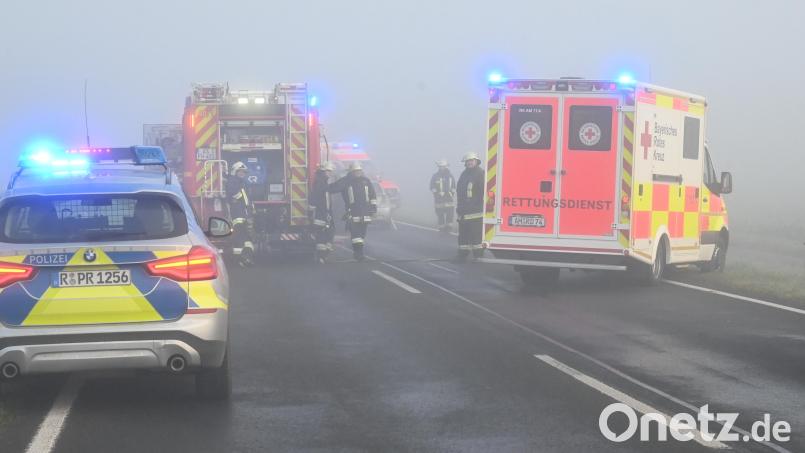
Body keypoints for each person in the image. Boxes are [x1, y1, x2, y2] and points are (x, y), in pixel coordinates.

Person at [329, 162, 377, 261]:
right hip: (353, 213)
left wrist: (373, 208)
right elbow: (333, 188)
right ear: (352, 172)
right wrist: (325, 186)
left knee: (361, 235)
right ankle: (358, 254)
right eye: (356, 171)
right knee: (356, 236)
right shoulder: (347, 181)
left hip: (365, 214)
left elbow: (372, 196)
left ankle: (359, 253)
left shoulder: (366, 181)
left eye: (359, 171)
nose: (358, 173)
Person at [456, 152, 485, 261]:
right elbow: (460, 191)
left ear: (476, 161)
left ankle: (478, 256)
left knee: (476, 235)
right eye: (468, 161)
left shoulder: (480, 174)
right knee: (463, 235)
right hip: (464, 211)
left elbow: (483, 191)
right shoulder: (464, 174)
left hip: (475, 212)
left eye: (471, 161)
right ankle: (462, 254)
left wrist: (475, 204)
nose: (469, 163)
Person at [226, 161, 255, 267]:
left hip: (244, 214)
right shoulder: (232, 181)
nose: (242, 174)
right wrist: (239, 197)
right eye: (240, 172)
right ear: (235, 172)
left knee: (247, 238)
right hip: (237, 215)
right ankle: (239, 260)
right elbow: (233, 195)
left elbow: (247, 199)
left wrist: (250, 212)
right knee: (239, 238)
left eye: (244, 172)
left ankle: (246, 257)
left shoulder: (242, 183)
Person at [310, 161, 336, 263]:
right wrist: (311, 211)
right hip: (321, 213)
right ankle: (322, 255)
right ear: (323, 171)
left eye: (330, 171)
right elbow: (315, 197)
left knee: (328, 232)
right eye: (328, 171)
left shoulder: (323, 181)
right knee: (322, 234)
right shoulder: (320, 182)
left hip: (325, 213)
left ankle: (323, 254)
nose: (329, 173)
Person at [430, 159, 456, 232]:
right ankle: (441, 228)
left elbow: (454, 186)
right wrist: (436, 194)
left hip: (449, 199)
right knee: (440, 214)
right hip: (439, 199)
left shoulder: (450, 176)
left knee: (450, 214)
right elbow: (432, 187)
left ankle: (449, 228)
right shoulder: (435, 176)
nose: (442, 168)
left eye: (443, 166)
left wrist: (451, 194)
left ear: (446, 166)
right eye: (440, 166)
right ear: (438, 167)